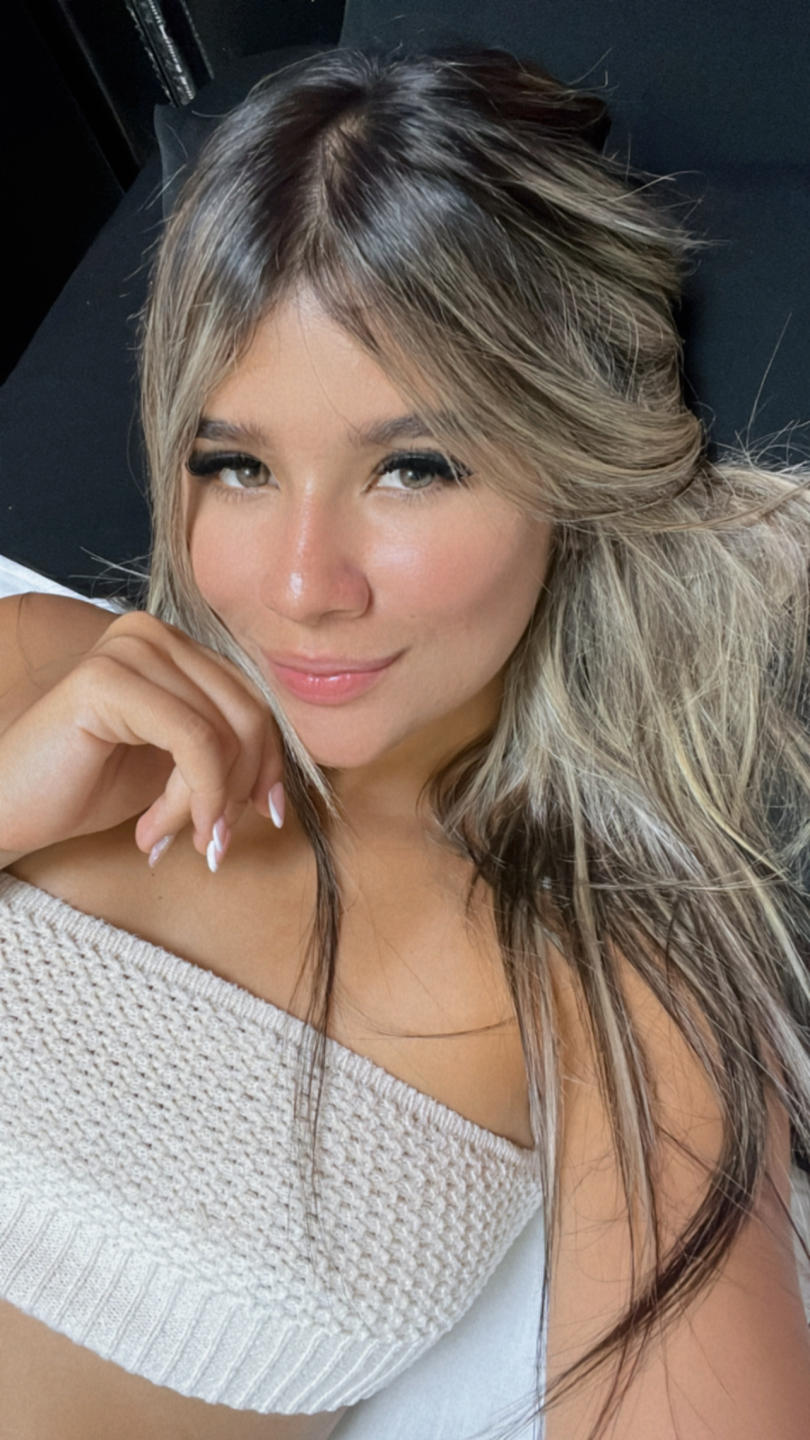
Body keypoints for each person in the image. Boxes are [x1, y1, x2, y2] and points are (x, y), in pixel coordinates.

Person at [0, 40, 809, 1440]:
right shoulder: (37, 678)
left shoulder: (614, 968)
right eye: (237, 465)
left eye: (412, 468)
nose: (302, 582)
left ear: (573, 461)